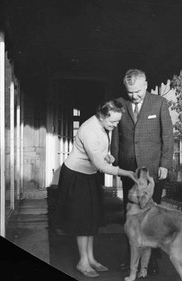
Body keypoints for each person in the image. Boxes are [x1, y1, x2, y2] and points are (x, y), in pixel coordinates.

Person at [54, 99, 137, 278]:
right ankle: (82, 262)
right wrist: (126, 172)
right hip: (76, 176)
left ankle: (90, 258)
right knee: (82, 219)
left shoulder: (102, 126)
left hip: (88, 175)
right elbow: (100, 166)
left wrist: (107, 156)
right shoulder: (89, 130)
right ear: (101, 116)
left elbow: (99, 155)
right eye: (112, 122)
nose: (115, 126)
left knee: (91, 218)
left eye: (117, 121)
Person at [111, 69, 174, 275]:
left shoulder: (159, 103)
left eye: (137, 91)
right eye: (130, 92)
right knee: (129, 217)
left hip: (152, 171)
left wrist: (165, 163)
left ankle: (152, 260)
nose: (134, 96)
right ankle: (130, 258)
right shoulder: (120, 104)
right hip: (129, 171)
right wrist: (116, 165)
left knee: (152, 218)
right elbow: (116, 138)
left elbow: (168, 136)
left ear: (146, 85)